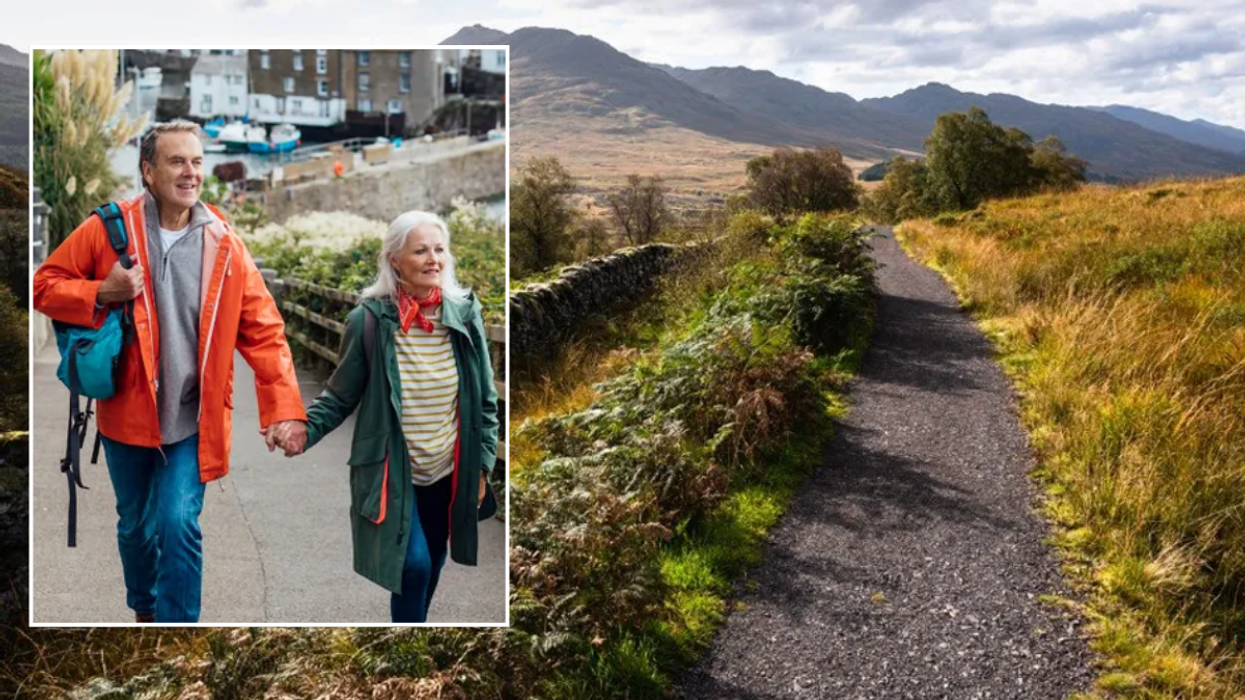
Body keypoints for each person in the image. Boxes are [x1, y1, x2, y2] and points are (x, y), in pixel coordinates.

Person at [33, 120, 307, 623]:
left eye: (197, 162)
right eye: (177, 161)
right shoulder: (109, 228)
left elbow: (265, 329)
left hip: (192, 417)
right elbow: (44, 285)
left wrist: (285, 410)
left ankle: (178, 627)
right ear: (148, 170)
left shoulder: (223, 242)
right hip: (126, 414)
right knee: (136, 527)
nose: (191, 172)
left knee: (179, 523)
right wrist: (102, 292)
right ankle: (145, 610)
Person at [265, 210, 499, 623]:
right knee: (413, 566)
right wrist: (304, 429)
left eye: (439, 249)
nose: (433, 259)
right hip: (394, 473)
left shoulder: (464, 315)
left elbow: (485, 398)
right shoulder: (370, 321)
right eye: (421, 250)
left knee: (434, 562)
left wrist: (480, 468)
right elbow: (339, 395)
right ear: (395, 259)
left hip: (449, 471)